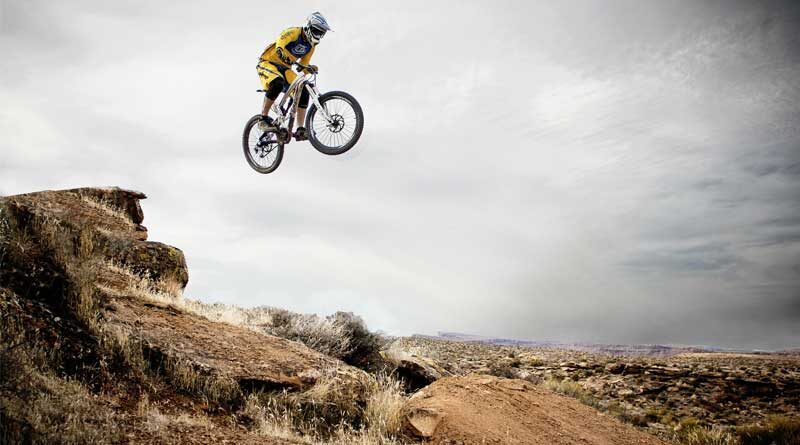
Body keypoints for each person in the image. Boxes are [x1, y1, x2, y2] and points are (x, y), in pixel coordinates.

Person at [256, 12, 332, 141]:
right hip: (268, 62)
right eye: (316, 31)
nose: (318, 35)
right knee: (277, 83)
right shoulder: (294, 32)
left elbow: (302, 67)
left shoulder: (311, 47)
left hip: (285, 69)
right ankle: (263, 118)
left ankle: (300, 128)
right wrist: (280, 52)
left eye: (321, 33)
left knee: (304, 89)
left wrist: (309, 68)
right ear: (308, 27)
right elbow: (280, 43)